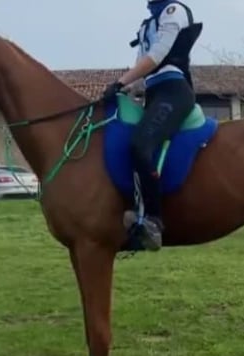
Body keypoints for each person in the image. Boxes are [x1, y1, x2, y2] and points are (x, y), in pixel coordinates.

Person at [102, 0, 203, 251]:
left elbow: (156, 56)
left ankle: (154, 221)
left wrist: (120, 81)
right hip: (155, 94)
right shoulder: (148, 23)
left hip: (174, 92)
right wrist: (123, 89)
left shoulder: (173, 11)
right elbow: (143, 71)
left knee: (140, 144)